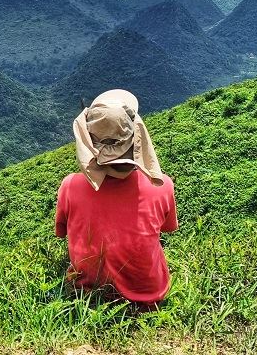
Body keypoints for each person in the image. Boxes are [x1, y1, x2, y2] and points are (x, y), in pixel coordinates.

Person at [55, 89, 178, 307]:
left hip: (87, 296)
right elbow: (166, 229)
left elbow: (61, 232)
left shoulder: (70, 186)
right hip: (150, 296)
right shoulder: (163, 185)